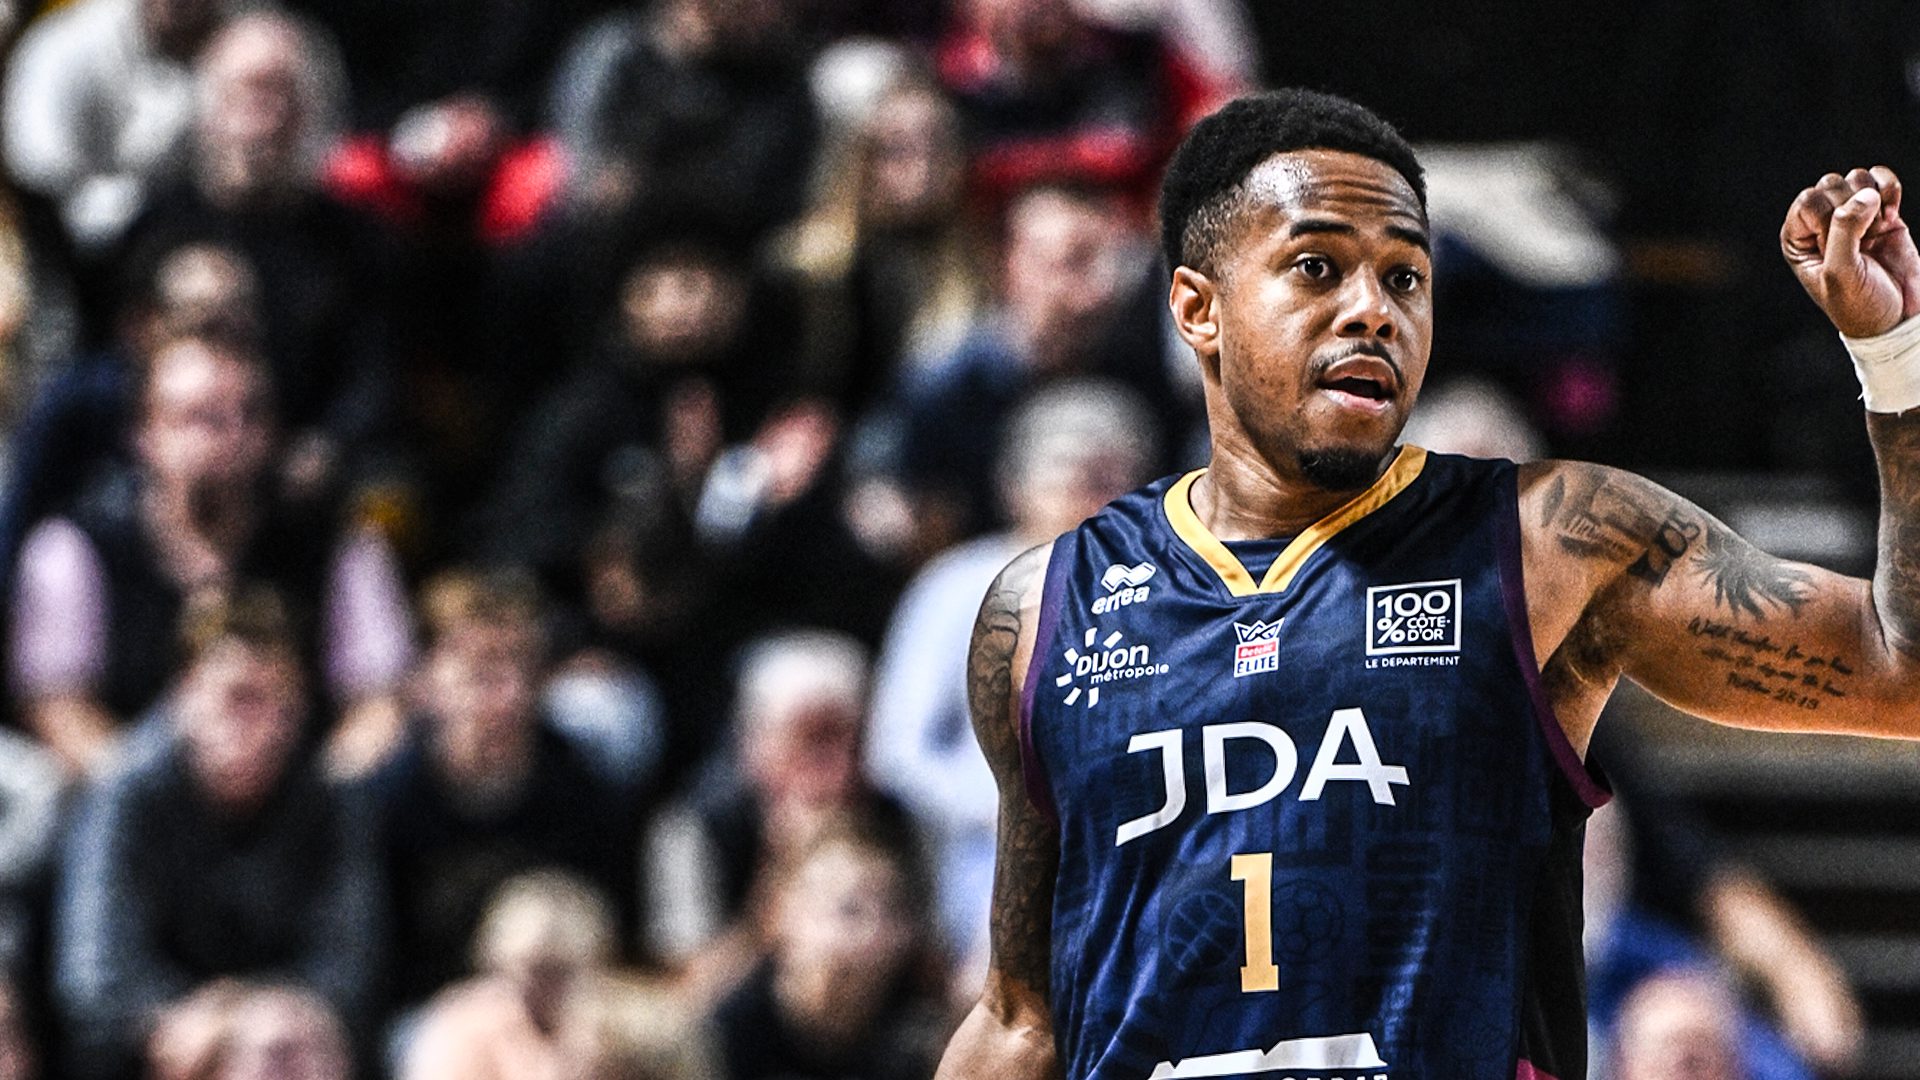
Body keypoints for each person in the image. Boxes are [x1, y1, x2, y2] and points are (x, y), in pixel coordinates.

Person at [935, 88, 1920, 1079]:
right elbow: (1020, 1019)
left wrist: (1899, 356)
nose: (1375, 309)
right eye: (1317, 268)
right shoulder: (1043, 608)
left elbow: (1899, 672)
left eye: (1405, 276)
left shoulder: (1552, 542)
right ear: (1199, 308)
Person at [53, 585, 383, 1079]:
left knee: (283, 1042)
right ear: (185, 693)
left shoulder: (330, 798)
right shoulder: (123, 790)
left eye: (273, 700)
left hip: (284, 1030)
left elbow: (350, 963)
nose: (254, 721)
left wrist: (240, 1011)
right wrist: (182, 1021)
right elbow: (94, 975)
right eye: (235, 697)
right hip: (155, 1045)